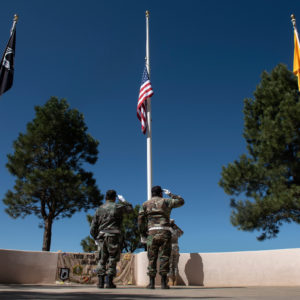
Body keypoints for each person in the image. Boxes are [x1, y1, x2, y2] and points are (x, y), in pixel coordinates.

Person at [138, 185, 184, 289]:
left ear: (151, 194)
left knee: (152, 258)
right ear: (161, 193)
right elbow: (181, 201)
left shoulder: (145, 204)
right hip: (165, 232)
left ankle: (151, 283)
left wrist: (142, 233)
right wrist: (171, 194)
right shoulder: (166, 201)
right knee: (165, 257)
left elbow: (140, 220)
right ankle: (164, 283)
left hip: (152, 233)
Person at [90, 190, 133, 289]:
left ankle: (100, 282)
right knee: (112, 258)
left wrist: (95, 236)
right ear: (115, 198)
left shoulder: (99, 209)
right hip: (114, 235)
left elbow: (93, 225)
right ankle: (109, 282)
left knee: (102, 258)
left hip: (101, 236)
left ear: (106, 198)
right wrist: (124, 201)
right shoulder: (118, 207)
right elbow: (130, 210)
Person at [168, 219, 184, 286]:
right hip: (176, 248)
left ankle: (171, 281)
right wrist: (176, 226)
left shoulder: (167, 230)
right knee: (175, 265)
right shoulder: (176, 231)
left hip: (169, 247)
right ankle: (175, 281)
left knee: (170, 265)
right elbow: (182, 232)